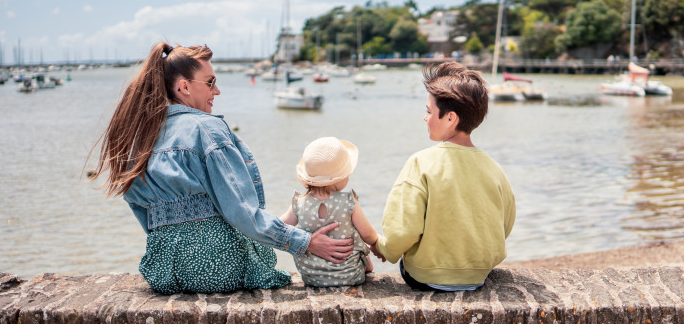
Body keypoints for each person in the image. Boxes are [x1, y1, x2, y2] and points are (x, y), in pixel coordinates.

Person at [89, 43, 353, 294]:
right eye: (211, 82)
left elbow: (139, 208)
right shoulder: (207, 129)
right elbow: (242, 213)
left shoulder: (140, 136)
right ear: (184, 87)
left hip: (163, 270)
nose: (217, 91)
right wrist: (305, 242)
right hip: (220, 268)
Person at [374, 62, 515, 291]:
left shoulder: (420, 163)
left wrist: (383, 247)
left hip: (426, 276)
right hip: (478, 275)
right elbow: (505, 224)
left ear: (450, 118)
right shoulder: (494, 168)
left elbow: (403, 230)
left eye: (429, 111)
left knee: (406, 264)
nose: (425, 118)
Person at [279, 137, 379, 287]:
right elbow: (367, 234)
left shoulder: (299, 203)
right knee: (355, 237)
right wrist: (377, 245)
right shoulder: (348, 201)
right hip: (350, 275)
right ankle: (366, 265)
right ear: (338, 178)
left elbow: (280, 228)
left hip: (312, 278)